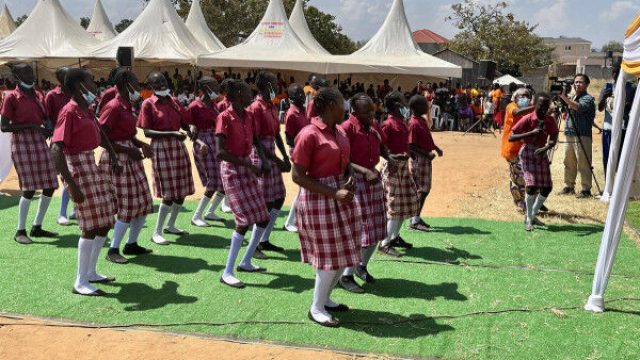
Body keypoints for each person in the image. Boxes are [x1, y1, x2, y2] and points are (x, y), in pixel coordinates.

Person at [292, 87, 360, 327]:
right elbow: (297, 176)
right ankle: (316, 308)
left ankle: (326, 298)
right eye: (342, 103)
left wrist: (349, 176)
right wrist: (334, 192)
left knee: (343, 253)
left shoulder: (339, 131)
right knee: (328, 257)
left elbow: (346, 161)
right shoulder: (309, 134)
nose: (346, 107)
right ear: (331, 105)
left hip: (342, 197)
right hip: (319, 201)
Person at [51, 68, 119, 296]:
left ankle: (91, 271)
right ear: (80, 85)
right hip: (78, 167)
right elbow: (56, 150)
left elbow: (101, 134)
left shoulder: (86, 109)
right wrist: (71, 184)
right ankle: (80, 281)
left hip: (91, 164)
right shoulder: (69, 111)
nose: (95, 84)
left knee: (104, 221)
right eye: (91, 80)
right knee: (90, 226)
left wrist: (114, 156)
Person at [215, 79, 272, 288]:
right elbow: (221, 152)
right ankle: (227, 272)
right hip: (232, 170)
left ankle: (246, 260)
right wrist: (247, 164)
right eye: (249, 92)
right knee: (243, 221)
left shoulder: (248, 115)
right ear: (239, 94)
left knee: (263, 218)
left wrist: (263, 161)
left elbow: (255, 139)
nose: (252, 94)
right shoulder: (224, 117)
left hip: (247, 168)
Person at [98, 69, 154, 264]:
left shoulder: (127, 104)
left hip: (130, 157)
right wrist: (127, 151)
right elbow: (101, 138)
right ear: (125, 84)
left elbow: (128, 133)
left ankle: (132, 244)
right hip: (118, 159)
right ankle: (113, 249)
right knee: (127, 205)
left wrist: (140, 144)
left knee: (144, 202)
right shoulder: (113, 107)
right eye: (135, 83)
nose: (138, 87)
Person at [0, 63, 59, 244]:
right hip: (22, 144)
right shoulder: (12, 98)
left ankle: (37, 226)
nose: (30, 75)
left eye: (31, 72)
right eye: (25, 73)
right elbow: (4, 126)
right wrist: (32, 127)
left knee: (50, 184)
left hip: (39, 143)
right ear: (17, 76)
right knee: (29, 188)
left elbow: (44, 116)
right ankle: (20, 231)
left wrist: (47, 124)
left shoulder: (38, 94)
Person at [338, 93, 391, 293]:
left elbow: (382, 146)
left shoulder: (373, 126)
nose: (372, 114)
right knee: (360, 231)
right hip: (355, 181)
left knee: (377, 227)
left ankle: (361, 266)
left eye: (372, 109)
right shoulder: (346, 129)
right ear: (354, 111)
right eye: (367, 111)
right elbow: (342, 158)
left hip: (372, 179)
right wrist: (364, 171)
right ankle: (346, 276)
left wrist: (389, 158)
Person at [138, 71, 195, 245]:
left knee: (182, 189)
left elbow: (185, 122)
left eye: (163, 80)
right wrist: (171, 133)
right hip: (161, 148)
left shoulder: (175, 101)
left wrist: (190, 128)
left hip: (178, 147)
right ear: (152, 87)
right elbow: (147, 131)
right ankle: (157, 231)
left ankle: (171, 224)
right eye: (157, 83)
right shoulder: (148, 104)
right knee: (168, 192)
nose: (162, 84)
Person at [246, 71, 291, 258]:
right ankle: (254, 246)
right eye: (273, 83)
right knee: (264, 203)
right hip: (261, 156)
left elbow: (277, 134)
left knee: (279, 197)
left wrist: (285, 157)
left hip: (271, 153)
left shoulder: (271, 105)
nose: (277, 86)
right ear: (264, 85)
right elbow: (255, 138)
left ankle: (264, 239)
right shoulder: (255, 107)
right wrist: (271, 160)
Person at [509, 92, 559, 231]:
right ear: (534, 105)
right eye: (541, 105)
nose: (543, 108)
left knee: (547, 187)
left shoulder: (550, 120)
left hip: (541, 153)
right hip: (528, 153)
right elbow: (511, 137)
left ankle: (532, 214)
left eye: (546, 105)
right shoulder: (528, 118)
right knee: (531, 186)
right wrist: (530, 134)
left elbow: (554, 137)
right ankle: (529, 219)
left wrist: (547, 146)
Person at [378, 91, 418, 257]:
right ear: (396, 106)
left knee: (405, 202)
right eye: (402, 103)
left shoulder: (401, 122)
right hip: (393, 168)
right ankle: (384, 243)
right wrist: (392, 157)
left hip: (403, 167)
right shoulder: (388, 124)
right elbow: (381, 146)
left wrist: (409, 153)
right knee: (394, 206)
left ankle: (394, 236)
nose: (405, 105)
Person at [188, 77, 227, 226]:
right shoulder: (195, 106)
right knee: (213, 181)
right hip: (203, 144)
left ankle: (210, 212)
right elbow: (191, 131)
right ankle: (196, 216)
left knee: (223, 180)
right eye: (213, 87)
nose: (217, 90)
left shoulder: (214, 106)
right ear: (205, 89)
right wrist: (199, 142)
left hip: (215, 142)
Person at [45, 67, 75, 226]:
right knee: (67, 176)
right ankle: (62, 213)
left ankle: (75, 210)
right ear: (59, 79)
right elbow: (47, 117)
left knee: (77, 174)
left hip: (77, 139)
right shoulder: (52, 95)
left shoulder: (76, 93)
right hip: (60, 141)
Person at [407, 95, 443, 232]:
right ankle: (414, 221)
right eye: (424, 104)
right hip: (419, 160)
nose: (427, 107)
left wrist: (435, 148)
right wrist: (426, 154)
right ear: (417, 107)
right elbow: (410, 146)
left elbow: (426, 138)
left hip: (424, 159)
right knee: (422, 190)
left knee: (423, 190)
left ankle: (416, 217)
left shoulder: (421, 120)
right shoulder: (413, 123)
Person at [559, 74, 596, 198]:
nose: (577, 84)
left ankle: (586, 189)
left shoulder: (588, 98)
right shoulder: (572, 97)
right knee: (568, 161)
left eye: (580, 82)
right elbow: (565, 110)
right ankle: (569, 186)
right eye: (575, 82)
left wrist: (565, 98)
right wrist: (563, 100)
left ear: (586, 84)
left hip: (583, 134)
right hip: (569, 133)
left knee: (584, 162)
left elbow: (579, 107)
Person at [599, 65, 637, 175]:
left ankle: (619, 186)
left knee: (621, 158)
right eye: (614, 72)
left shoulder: (632, 88)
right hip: (608, 128)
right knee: (608, 157)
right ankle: (608, 185)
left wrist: (628, 106)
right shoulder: (607, 87)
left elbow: (635, 108)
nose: (615, 75)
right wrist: (605, 97)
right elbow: (600, 108)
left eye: (618, 72)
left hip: (623, 128)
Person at [501, 88, 534, 213]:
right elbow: (517, 113)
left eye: (527, 95)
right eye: (521, 96)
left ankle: (528, 201)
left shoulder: (531, 107)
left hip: (527, 147)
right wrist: (536, 107)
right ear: (515, 98)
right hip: (512, 148)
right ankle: (520, 202)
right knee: (518, 176)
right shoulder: (511, 106)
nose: (524, 98)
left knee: (528, 176)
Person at [283, 83, 309, 233]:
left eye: (303, 93)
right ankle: (289, 221)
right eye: (299, 94)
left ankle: (296, 219)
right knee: (302, 186)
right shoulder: (292, 113)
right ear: (292, 98)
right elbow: (288, 138)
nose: (302, 96)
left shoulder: (303, 110)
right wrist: (299, 150)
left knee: (304, 187)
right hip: (298, 151)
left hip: (305, 150)